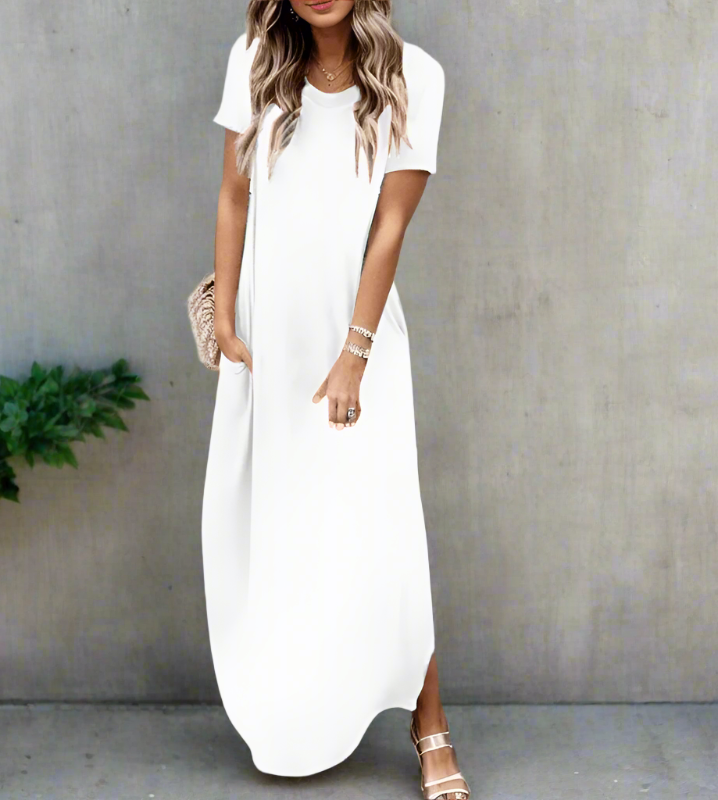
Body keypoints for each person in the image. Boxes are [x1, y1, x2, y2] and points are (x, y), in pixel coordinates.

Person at [202, 2, 470, 798]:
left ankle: (430, 727)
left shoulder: (416, 77)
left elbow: (390, 227)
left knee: (384, 529)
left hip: (356, 338)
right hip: (268, 343)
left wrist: (355, 355)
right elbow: (235, 194)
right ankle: (296, 710)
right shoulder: (254, 59)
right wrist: (225, 314)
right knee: (280, 529)